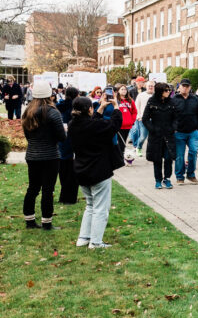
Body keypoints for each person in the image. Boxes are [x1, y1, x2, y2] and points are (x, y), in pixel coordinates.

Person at [68, 96, 122, 249]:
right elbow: (113, 125)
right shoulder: (95, 126)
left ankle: (84, 238)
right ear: (89, 109)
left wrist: (100, 109)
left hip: (81, 170)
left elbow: (93, 124)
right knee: (100, 208)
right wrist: (116, 108)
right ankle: (96, 242)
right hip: (99, 170)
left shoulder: (73, 125)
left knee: (90, 205)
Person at [21, 81, 66, 229]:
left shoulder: (28, 112)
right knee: (48, 189)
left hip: (32, 154)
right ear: (50, 95)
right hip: (50, 155)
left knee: (33, 188)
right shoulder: (53, 112)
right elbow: (62, 137)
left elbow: (28, 135)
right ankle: (46, 222)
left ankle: (29, 220)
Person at [142, 82, 177, 189]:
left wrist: (173, 128)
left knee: (168, 158)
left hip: (168, 134)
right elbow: (145, 119)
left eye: (169, 90)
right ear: (160, 91)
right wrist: (153, 129)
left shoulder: (172, 102)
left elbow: (176, 118)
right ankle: (158, 180)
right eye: (166, 90)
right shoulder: (151, 101)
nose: (168, 92)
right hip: (156, 135)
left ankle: (167, 179)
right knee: (157, 159)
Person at [172, 79, 198, 184]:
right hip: (179, 132)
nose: (185, 88)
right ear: (179, 87)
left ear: (190, 88)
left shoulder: (195, 99)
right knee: (180, 156)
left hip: (193, 132)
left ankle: (190, 174)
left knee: (193, 152)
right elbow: (170, 116)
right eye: (183, 86)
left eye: (187, 86)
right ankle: (180, 176)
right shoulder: (174, 99)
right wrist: (173, 129)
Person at [56, 85, 80, 205]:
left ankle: (63, 195)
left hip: (62, 139)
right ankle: (70, 197)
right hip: (73, 138)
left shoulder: (60, 105)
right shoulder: (76, 107)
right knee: (72, 169)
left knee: (63, 168)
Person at [130, 81, 152, 156]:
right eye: (149, 86)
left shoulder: (156, 95)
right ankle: (138, 147)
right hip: (143, 119)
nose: (151, 87)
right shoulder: (141, 95)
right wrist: (138, 116)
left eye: (152, 86)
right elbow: (137, 106)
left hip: (154, 120)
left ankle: (151, 152)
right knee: (143, 136)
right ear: (146, 86)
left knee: (153, 138)